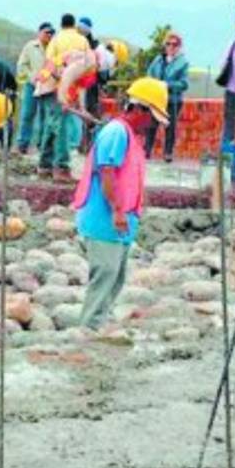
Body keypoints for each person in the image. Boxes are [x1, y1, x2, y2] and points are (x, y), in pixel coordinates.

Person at [74, 77, 169, 332]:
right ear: (139, 109)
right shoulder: (116, 132)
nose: (152, 125)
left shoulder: (130, 135)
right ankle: (87, 331)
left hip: (120, 224)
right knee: (104, 275)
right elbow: (107, 173)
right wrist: (117, 210)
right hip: (105, 221)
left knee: (115, 278)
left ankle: (97, 326)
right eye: (152, 118)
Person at [39, 13, 89, 180]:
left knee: (52, 123)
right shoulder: (82, 41)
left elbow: (48, 62)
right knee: (60, 125)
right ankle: (61, 167)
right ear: (74, 25)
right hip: (59, 84)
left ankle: (45, 165)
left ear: (61, 25)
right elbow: (83, 68)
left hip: (49, 83)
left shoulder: (56, 39)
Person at [144, 31, 189, 162]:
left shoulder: (183, 63)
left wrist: (167, 85)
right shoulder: (158, 60)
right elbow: (149, 74)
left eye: (174, 44)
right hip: (156, 98)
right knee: (151, 125)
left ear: (179, 46)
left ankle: (168, 153)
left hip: (172, 100)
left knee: (170, 127)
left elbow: (184, 84)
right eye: (168, 44)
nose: (170, 47)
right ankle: (147, 150)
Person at [15, 22, 54, 154]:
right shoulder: (30, 47)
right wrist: (32, 76)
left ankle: (41, 145)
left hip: (48, 87)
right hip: (32, 86)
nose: (49, 35)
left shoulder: (54, 48)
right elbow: (22, 65)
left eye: (51, 33)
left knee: (45, 116)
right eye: (46, 32)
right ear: (40, 33)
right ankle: (22, 144)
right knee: (27, 114)